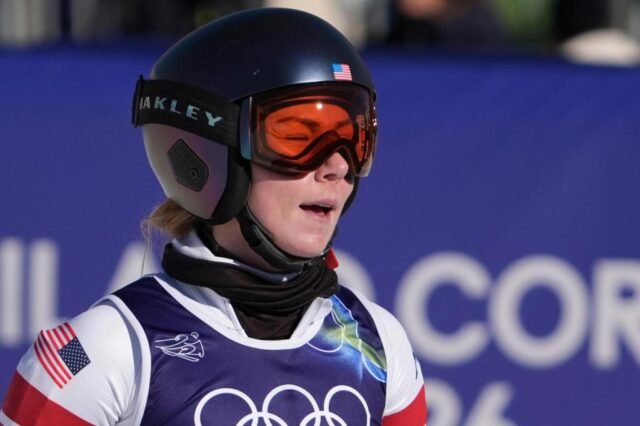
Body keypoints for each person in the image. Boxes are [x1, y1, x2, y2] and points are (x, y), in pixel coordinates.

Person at [0, 8, 427, 425]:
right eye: (298, 137)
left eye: (355, 138)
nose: (337, 166)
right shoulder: (102, 349)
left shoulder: (379, 343)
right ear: (208, 152)